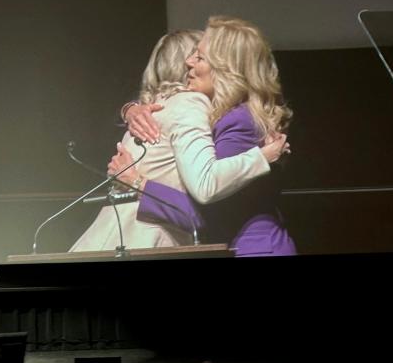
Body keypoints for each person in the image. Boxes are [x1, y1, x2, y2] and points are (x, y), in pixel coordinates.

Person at [69, 29, 288, 251]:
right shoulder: (187, 105)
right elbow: (207, 192)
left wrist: (138, 183)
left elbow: (216, 205)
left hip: (113, 237)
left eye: (201, 57)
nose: (191, 61)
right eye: (195, 54)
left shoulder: (162, 108)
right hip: (145, 240)